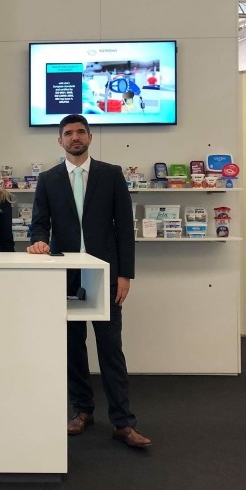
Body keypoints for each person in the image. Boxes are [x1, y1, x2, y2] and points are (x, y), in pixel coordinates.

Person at [26, 114, 151, 448]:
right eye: (68, 133)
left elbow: (124, 228)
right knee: (72, 346)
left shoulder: (111, 174)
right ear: (60, 140)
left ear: (90, 137)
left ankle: (123, 422)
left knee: (110, 348)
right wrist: (38, 241)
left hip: (104, 274)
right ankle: (82, 411)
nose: (75, 137)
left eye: (80, 132)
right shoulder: (48, 179)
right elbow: (39, 223)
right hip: (64, 274)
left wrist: (125, 274)